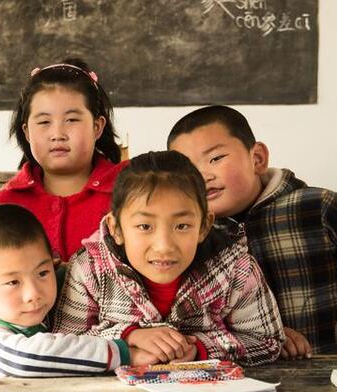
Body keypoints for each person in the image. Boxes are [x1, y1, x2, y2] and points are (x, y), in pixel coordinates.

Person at [168, 105, 337, 355]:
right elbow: (183, 316)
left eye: (216, 158)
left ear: (257, 158)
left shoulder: (319, 208)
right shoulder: (188, 235)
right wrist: (263, 335)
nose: (202, 175)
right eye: (188, 169)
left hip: (329, 371)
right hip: (234, 379)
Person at [53, 151, 283, 366]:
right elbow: (63, 343)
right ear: (116, 229)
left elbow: (268, 341)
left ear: (204, 226)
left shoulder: (236, 269)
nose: (164, 246)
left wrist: (201, 349)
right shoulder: (89, 267)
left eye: (182, 226)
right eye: (145, 226)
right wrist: (127, 337)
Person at [0, 204, 142, 377]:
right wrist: (122, 353)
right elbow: (24, 359)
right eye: (13, 282)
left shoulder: (68, 291)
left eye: (43, 273)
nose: (33, 293)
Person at [0, 59, 125, 261]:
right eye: (44, 122)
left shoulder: (127, 193)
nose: (57, 134)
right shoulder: (6, 203)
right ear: (27, 132)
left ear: (97, 127)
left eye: (71, 120)